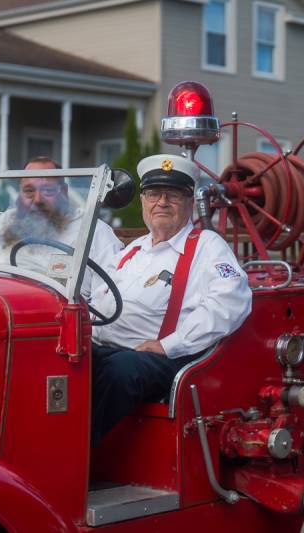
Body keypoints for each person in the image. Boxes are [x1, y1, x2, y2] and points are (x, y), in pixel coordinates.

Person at [88, 154, 252, 447]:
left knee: (120, 372)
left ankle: (76, 459)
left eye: (173, 195)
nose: (161, 202)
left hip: (162, 359)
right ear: (142, 201)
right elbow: (94, 300)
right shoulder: (130, 251)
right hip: (105, 349)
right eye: (153, 194)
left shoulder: (206, 246)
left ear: (190, 203)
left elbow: (230, 301)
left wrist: (169, 345)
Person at [0, 156, 123, 295]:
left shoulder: (94, 232)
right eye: (29, 191)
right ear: (20, 193)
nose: (37, 199)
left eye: (48, 190)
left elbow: (108, 298)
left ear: (64, 192)